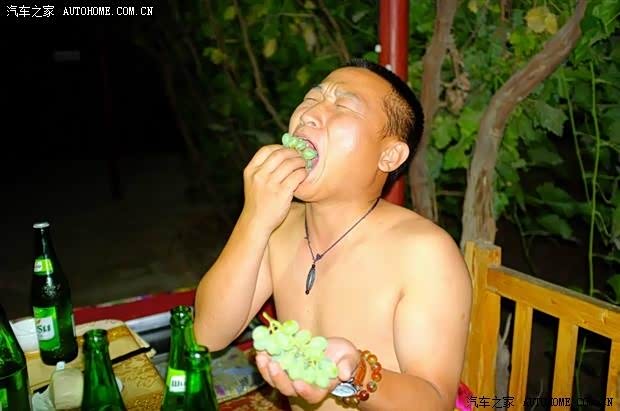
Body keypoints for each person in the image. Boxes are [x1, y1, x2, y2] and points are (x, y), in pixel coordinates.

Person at [194, 58, 472, 411]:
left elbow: (435, 401)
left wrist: (356, 375)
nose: (309, 114)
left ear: (389, 155)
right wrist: (254, 219)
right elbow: (207, 334)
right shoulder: (277, 224)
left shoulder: (424, 253)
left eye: (343, 106)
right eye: (311, 99)